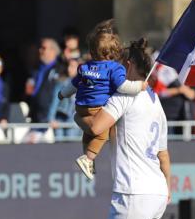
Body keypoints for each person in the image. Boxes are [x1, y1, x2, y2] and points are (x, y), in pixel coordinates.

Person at [75, 38, 195, 219]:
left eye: (118, 65)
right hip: (154, 189)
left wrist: (76, 115)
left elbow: (95, 127)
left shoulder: (123, 97)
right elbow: (163, 154)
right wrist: (167, 188)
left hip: (134, 189)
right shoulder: (155, 99)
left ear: (128, 66)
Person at [58, 20, 147, 180]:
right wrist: (140, 86)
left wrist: (62, 94)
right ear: (114, 52)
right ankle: (88, 158)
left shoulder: (85, 67)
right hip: (97, 108)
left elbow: (74, 84)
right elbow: (123, 87)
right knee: (102, 133)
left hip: (81, 107)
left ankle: (88, 157)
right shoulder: (114, 68)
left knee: (88, 133)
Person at [25, 38, 61, 124]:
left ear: (53, 51)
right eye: (40, 48)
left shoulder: (60, 70)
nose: (40, 50)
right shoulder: (36, 69)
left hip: (51, 119)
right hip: (35, 116)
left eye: (44, 48)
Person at [48, 58, 81, 140]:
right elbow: (55, 101)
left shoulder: (84, 83)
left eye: (73, 66)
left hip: (75, 118)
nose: (69, 69)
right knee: (59, 143)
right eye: (68, 66)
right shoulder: (62, 82)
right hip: (61, 117)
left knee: (72, 144)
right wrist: (51, 118)